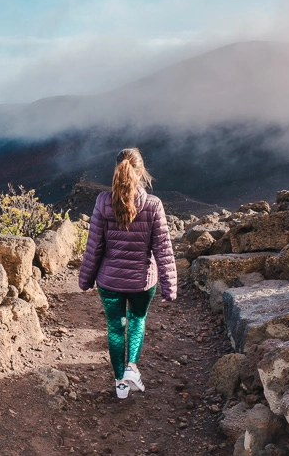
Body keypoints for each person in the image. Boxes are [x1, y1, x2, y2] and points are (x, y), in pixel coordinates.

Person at [78, 148, 177, 399]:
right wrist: (169, 286)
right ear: (141, 172)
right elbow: (162, 248)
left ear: (116, 170)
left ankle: (120, 382)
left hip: (110, 281)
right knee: (136, 320)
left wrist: (86, 278)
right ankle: (132, 367)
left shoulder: (103, 202)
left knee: (115, 328)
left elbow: (94, 246)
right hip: (142, 282)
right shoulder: (153, 205)